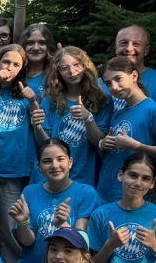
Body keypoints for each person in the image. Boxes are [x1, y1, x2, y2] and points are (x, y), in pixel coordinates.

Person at [9, 139, 103, 263]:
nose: (55, 165)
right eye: (47, 161)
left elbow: (83, 243)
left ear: (70, 162)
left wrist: (64, 226)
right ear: (39, 166)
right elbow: (27, 241)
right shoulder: (30, 192)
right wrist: (23, 221)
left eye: (60, 159)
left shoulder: (86, 193)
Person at [0, 44, 40, 263]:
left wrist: (33, 100)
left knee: (11, 224)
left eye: (16, 64)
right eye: (6, 62)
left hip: (17, 171)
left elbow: (40, 125)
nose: (10, 68)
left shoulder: (27, 92)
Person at [97, 57, 156, 204]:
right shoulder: (118, 113)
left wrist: (138, 146)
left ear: (134, 76)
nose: (114, 87)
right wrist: (104, 143)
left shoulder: (155, 110)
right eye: (108, 83)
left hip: (138, 192)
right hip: (108, 189)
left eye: (118, 79)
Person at [36, 47, 111, 187]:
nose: (72, 71)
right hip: (52, 177)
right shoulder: (49, 102)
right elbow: (45, 144)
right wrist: (37, 126)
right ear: (57, 73)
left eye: (77, 64)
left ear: (85, 66)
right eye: (64, 68)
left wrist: (88, 119)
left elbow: (100, 144)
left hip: (84, 177)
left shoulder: (102, 100)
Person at [18, 23, 55, 94]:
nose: (36, 48)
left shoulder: (56, 75)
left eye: (42, 43)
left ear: (49, 46)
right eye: (30, 43)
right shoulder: (15, 74)